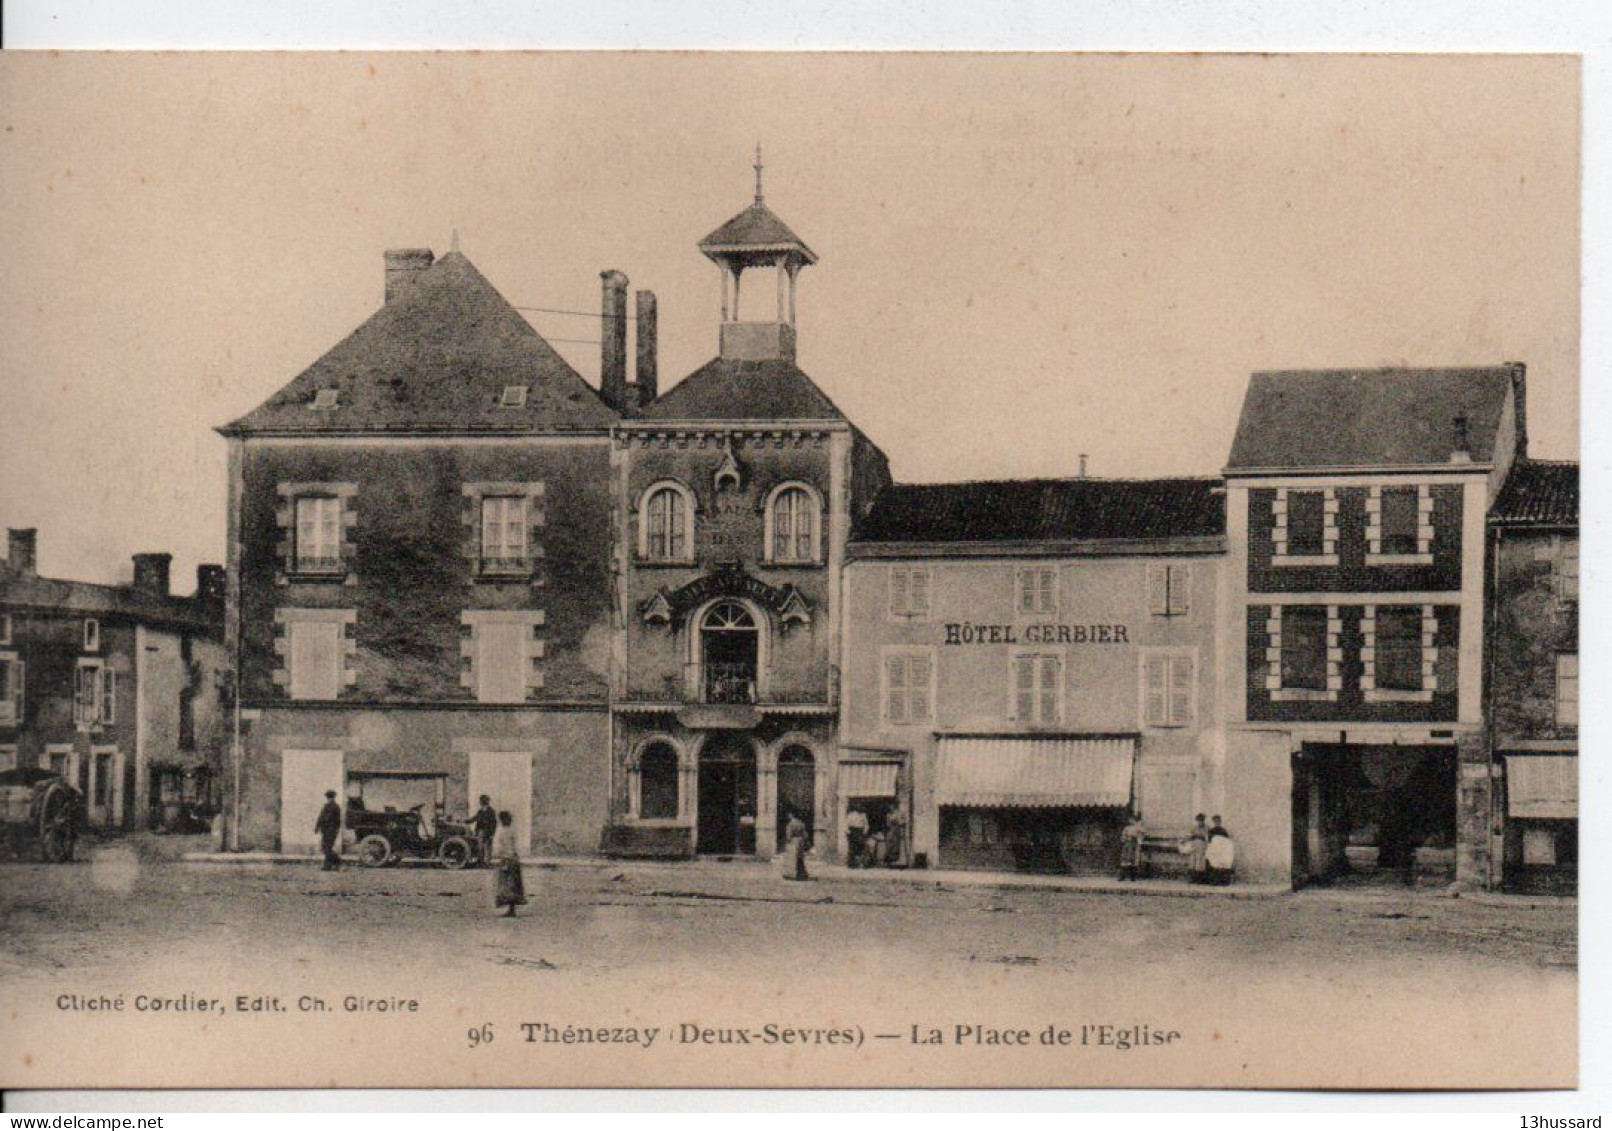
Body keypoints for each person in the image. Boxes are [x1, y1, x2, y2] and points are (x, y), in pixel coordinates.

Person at [491, 810, 526, 917]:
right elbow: (517, 845)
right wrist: (516, 855)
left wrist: (498, 855)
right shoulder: (512, 830)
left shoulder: (500, 831)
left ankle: (511, 910)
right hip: (513, 859)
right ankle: (512, 909)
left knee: (506, 884)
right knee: (513, 884)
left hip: (506, 860)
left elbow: (497, 847)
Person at [315, 789, 343, 871]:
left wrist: (318, 826)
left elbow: (336, 820)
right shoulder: (329, 806)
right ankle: (336, 862)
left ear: (333, 798)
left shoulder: (334, 807)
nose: (330, 799)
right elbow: (320, 817)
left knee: (326, 848)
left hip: (330, 830)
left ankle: (328, 865)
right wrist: (317, 827)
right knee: (326, 847)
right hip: (327, 830)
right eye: (329, 797)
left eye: (331, 797)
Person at [1206, 815, 1235, 886]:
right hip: (1214, 849)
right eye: (1215, 821)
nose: (1217, 822)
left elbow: (1227, 840)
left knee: (1223, 864)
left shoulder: (1223, 830)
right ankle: (1214, 881)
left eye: (1218, 821)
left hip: (1222, 850)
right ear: (1213, 822)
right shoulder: (1211, 830)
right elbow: (1209, 840)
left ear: (1220, 822)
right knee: (1214, 864)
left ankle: (1223, 881)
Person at [1118, 812, 1147, 882]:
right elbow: (1123, 837)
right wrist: (1125, 839)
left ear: (1134, 820)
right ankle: (1122, 876)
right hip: (1127, 845)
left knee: (1134, 861)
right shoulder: (1126, 828)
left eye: (1132, 820)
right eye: (1130, 820)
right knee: (1125, 860)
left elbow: (1145, 833)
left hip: (1135, 845)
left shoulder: (1138, 827)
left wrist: (1139, 838)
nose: (1131, 821)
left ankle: (1133, 877)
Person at [782, 811, 810, 881]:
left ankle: (791, 874)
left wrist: (788, 842)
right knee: (800, 859)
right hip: (800, 841)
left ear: (791, 815)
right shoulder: (801, 823)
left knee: (792, 859)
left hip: (793, 842)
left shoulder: (790, 824)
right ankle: (802, 874)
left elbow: (788, 836)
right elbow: (805, 835)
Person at [1182, 813, 1209, 884]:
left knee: (1200, 861)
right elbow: (1189, 836)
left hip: (1202, 846)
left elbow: (1207, 838)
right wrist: (1189, 838)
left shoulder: (1207, 828)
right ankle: (1192, 878)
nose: (1200, 822)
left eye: (1202, 820)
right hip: (1194, 846)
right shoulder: (1194, 828)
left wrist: (1200, 836)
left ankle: (1199, 879)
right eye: (1199, 820)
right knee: (1192, 861)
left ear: (1204, 820)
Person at [471, 794, 498, 866]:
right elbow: (474, 819)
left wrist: (492, 834)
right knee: (480, 847)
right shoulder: (480, 811)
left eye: (483, 801)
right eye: (481, 801)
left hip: (488, 832)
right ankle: (480, 861)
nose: (481, 802)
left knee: (488, 848)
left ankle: (487, 863)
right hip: (480, 832)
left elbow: (494, 823)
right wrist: (464, 821)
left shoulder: (491, 811)